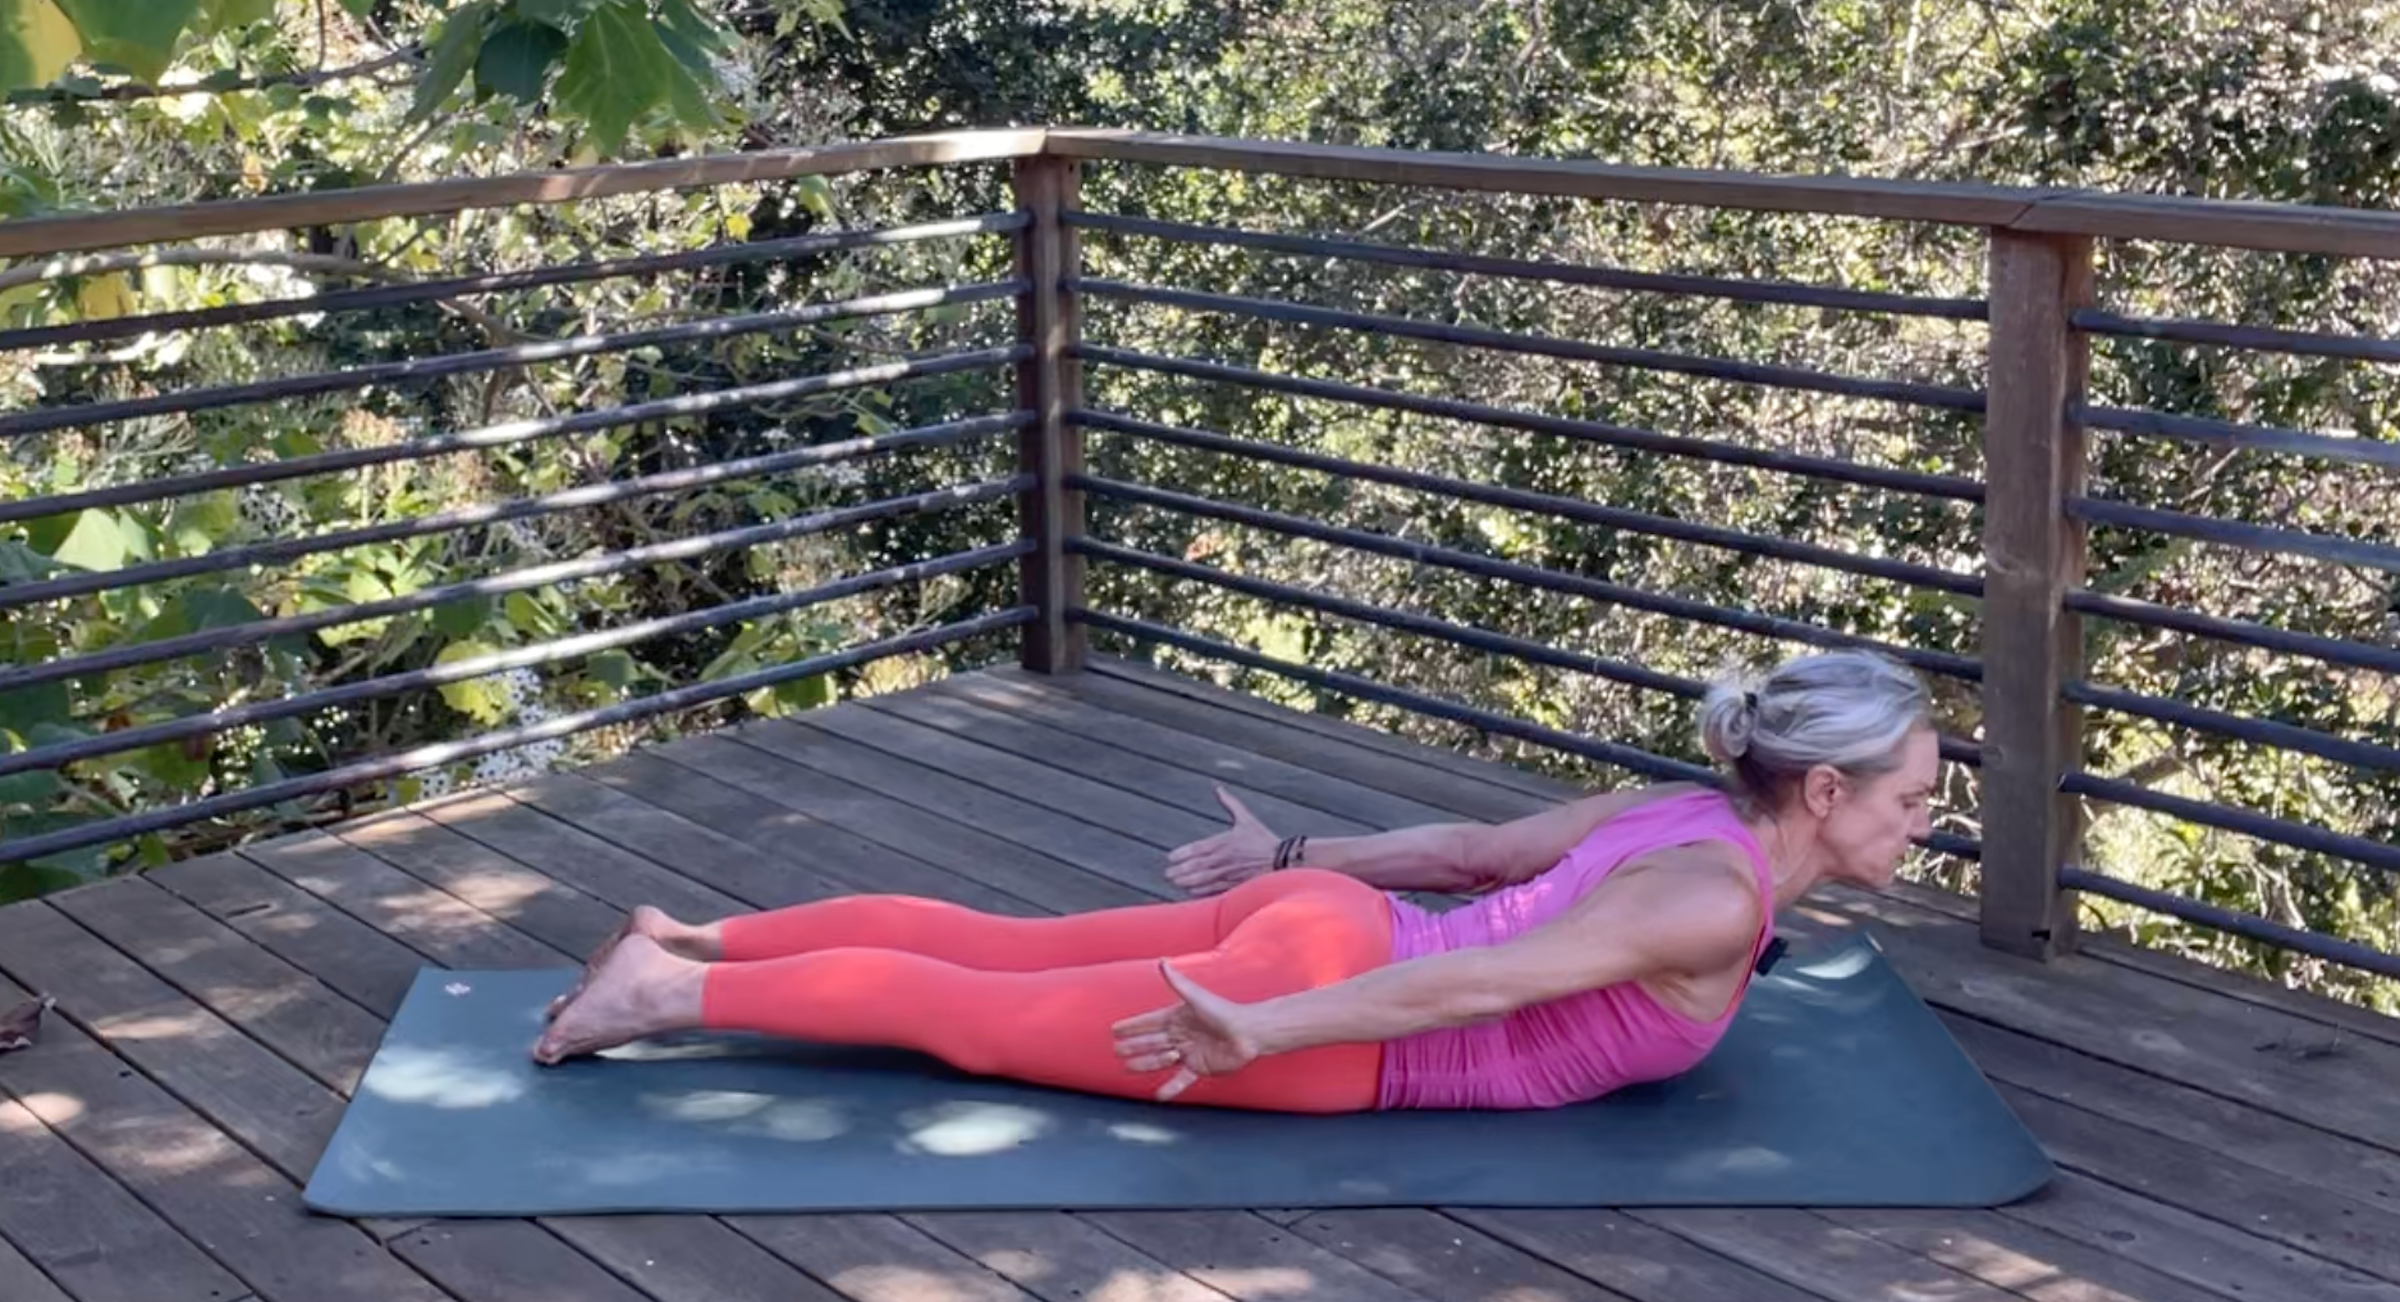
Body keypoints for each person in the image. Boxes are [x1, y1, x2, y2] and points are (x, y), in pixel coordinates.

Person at [530, 648, 1941, 1110]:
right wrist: (1259, 1029)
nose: (1922, 825)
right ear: (1823, 790)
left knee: (995, 943)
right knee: (969, 1010)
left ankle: (696, 930)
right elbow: (1486, 974)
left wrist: (1289, 860)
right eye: (1913, 797)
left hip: (1333, 919)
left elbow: (1477, 861)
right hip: (1338, 1016)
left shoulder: (1682, 807)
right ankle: (666, 987)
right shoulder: (1714, 899)